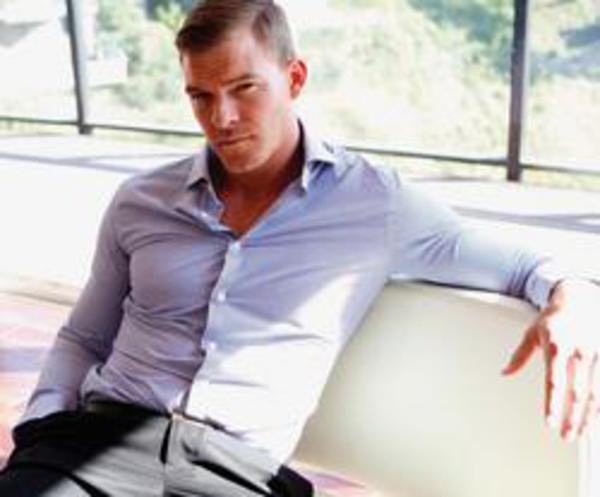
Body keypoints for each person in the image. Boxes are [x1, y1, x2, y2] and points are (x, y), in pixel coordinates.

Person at [1, 0, 599, 495]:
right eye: (201, 96)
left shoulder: (374, 202)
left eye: (243, 88)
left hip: (237, 474)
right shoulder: (141, 201)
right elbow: (85, 336)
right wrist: (39, 427)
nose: (222, 117)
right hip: (92, 445)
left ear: (294, 79)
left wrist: (573, 297)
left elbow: (523, 265)